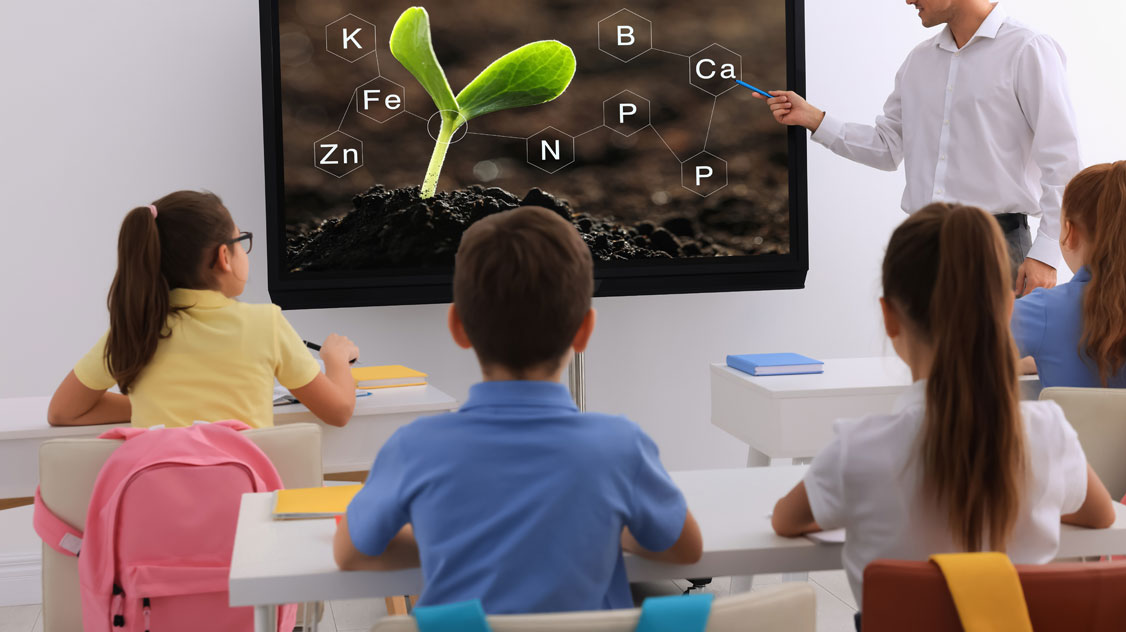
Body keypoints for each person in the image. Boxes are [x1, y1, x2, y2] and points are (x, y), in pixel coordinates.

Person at [333, 206, 703, 612]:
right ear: (585, 330)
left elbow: (351, 554)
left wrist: (451, 540)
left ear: (457, 326)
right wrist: (602, 531)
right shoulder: (621, 446)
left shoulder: (414, 447)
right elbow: (683, 550)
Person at [770, 203, 1114, 610]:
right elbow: (1100, 515)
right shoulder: (1047, 433)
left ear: (890, 317)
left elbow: (785, 521)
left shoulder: (857, 449)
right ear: (1006, 309)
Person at [760, 0, 1080, 296]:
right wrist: (812, 118)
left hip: (997, 249)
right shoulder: (920, 62)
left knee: (997, 357)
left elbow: (1063, 160)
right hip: (924, 249)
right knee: (926, 357)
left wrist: (1046, 253)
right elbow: (888, 146)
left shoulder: (1028, 50)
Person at [47, 190, 357, 428]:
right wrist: (336, 360)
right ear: (224, 256)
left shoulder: (134, 328)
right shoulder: (266, 323)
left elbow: (63, 412)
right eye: (241, 240)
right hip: (246, 507)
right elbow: (339, 411)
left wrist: (156, 404)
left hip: (160, 510)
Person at [1013, 161, 1126, 388]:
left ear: (1069, 232)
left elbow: (968, 352)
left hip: (1074, 425)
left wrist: (1033, 359)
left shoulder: (1042, 310)